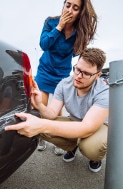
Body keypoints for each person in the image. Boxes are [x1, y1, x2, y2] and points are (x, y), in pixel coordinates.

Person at [5, 48, 109, 173]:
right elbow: (52, 114)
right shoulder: (64, 84)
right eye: (77, 69)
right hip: (75, 122)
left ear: (97, 75)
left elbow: (87, 128)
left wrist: (42, 125)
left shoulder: (104, 92)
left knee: (92, 148)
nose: (79, 76)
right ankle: (72, 146)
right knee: (40, 121)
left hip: (97, 127)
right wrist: (39, 105)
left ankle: (95, 159)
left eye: (86, 73)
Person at [35, 0, 98, 154]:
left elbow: (76, 52)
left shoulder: (79, 31)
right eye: (68, 5)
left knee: (57, 111)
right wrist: (59, 27)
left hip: (62, 74)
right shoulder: (51, 22)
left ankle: (58, 139)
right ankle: (41, 137)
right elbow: (44, 44)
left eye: (75, 8)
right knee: (42, 107)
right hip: (45, 70)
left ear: (80, 13)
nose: (69, 10)